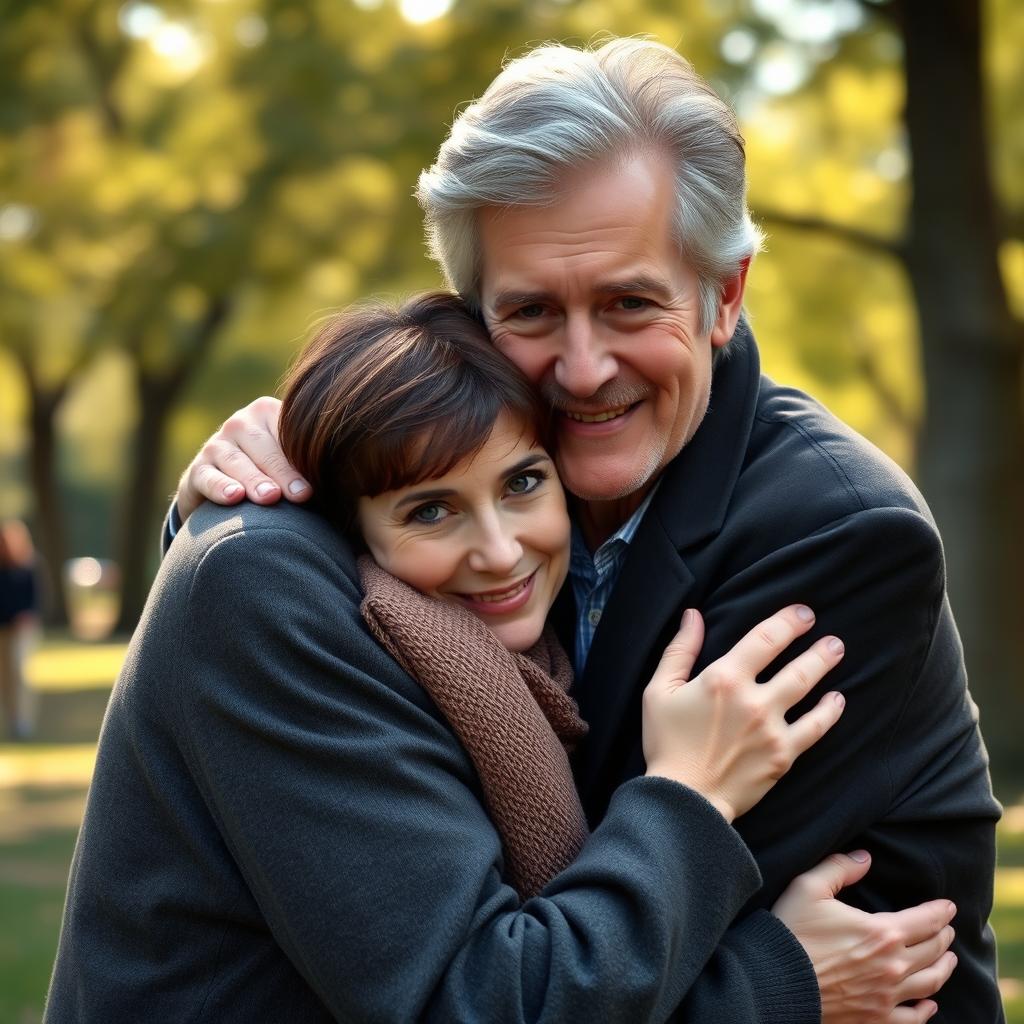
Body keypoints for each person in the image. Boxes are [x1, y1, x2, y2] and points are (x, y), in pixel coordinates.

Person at [169, 37, 1003, 1022]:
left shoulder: (836, 537)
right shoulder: (457, 505)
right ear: (471, 319)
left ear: (721, 296)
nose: (580, 367)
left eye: (628, 302)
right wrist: (275, 474)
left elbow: (597, 973)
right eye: (529, 311)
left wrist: (772, 977)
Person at [46, 293, 857, 1022]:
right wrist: (694, 802)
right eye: (431, 510)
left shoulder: (497, 635)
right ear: (340, 514)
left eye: (523, 483)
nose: (501, 552)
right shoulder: (270, 585)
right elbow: (479, 1003)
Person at [0, 519, 40, 740]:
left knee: (18, 674)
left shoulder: (28, 566)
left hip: (21, 630)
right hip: (2, 629)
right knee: (4, 678)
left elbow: (35, 599)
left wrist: (27, 615)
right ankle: (10, 718)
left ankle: (22, 720)